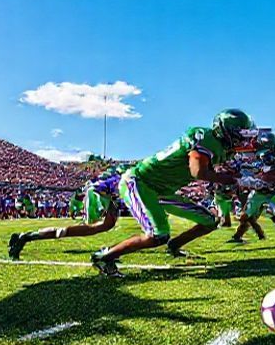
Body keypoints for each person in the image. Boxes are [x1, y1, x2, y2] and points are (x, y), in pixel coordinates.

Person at [90, 109, 256, 277]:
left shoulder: (220, 146)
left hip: (162, 190)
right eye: (240, 134)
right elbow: (197, 171)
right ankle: (105, 257)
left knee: (210, 221)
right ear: (226, 131)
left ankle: (174, 246)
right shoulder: (205, 139)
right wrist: (234, 180)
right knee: (157, 235)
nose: (243, 138)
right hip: (140, 183)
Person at [7, 169, 120, 260]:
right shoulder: (125, 177)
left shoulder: (117, 176)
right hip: (101, 192)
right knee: (89, 228)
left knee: (107, 225)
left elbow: (86, 187)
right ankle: (27, 236)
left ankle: (28, 236)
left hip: (106, 193)